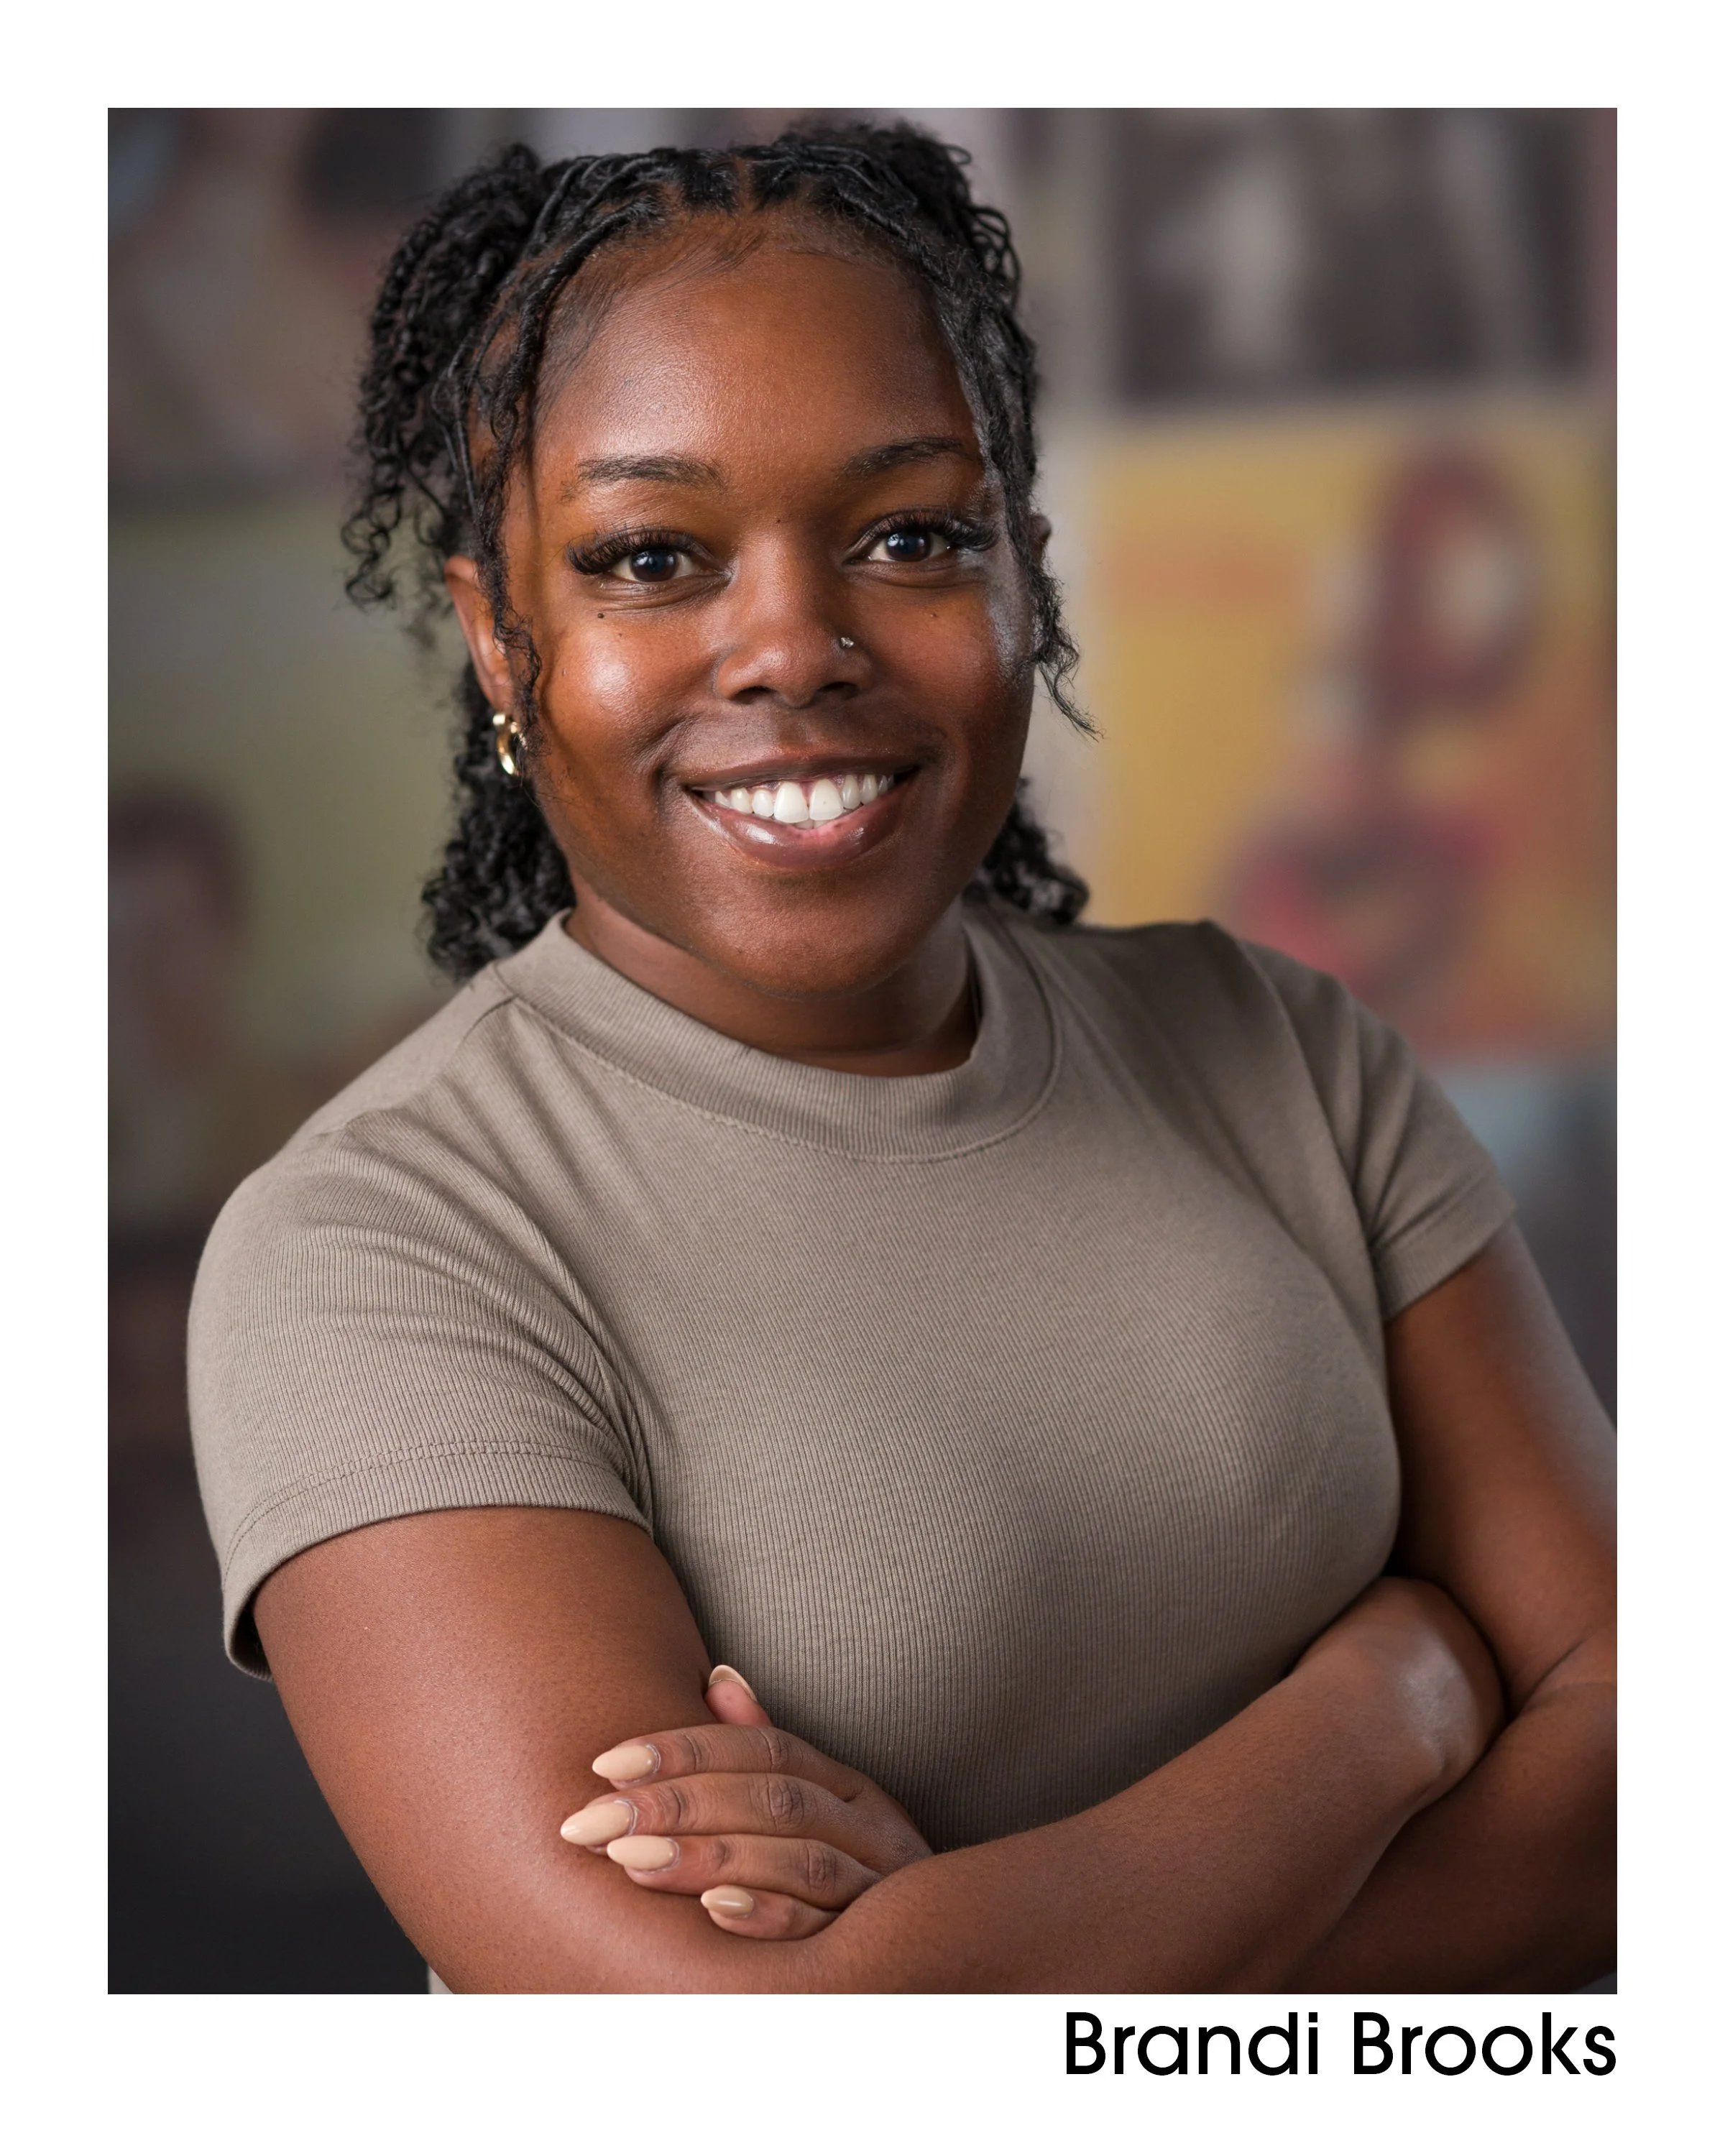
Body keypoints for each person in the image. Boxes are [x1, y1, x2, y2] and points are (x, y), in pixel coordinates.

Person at [188, 123, 1614, 1994]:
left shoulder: (1274, 1046)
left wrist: (973, 1946)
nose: (791, 646)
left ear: (1025, 578)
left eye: (908, 535)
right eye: (651, 556)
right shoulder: (380, 1254)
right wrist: (1394, 1699)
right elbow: (744, 2079)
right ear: (499, 640)